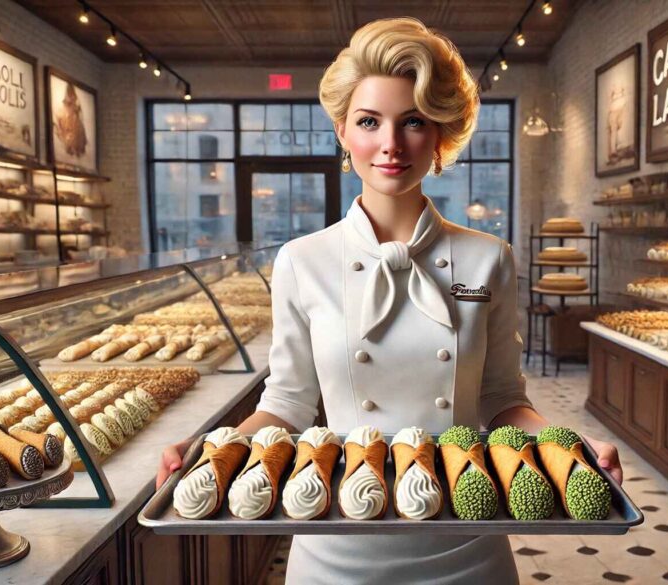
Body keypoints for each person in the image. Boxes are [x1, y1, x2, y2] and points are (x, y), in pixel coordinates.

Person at [157, 17, 623, 584]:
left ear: (440, 137)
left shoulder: (488, 259)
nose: (390, 144)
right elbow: (287, 404)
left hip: (466, 537)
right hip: (337, 541)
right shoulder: (302, 261)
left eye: (414, 122)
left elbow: (502, 399)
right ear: (342, 131)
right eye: (369, 121)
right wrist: (214, 450)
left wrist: (568, 448)